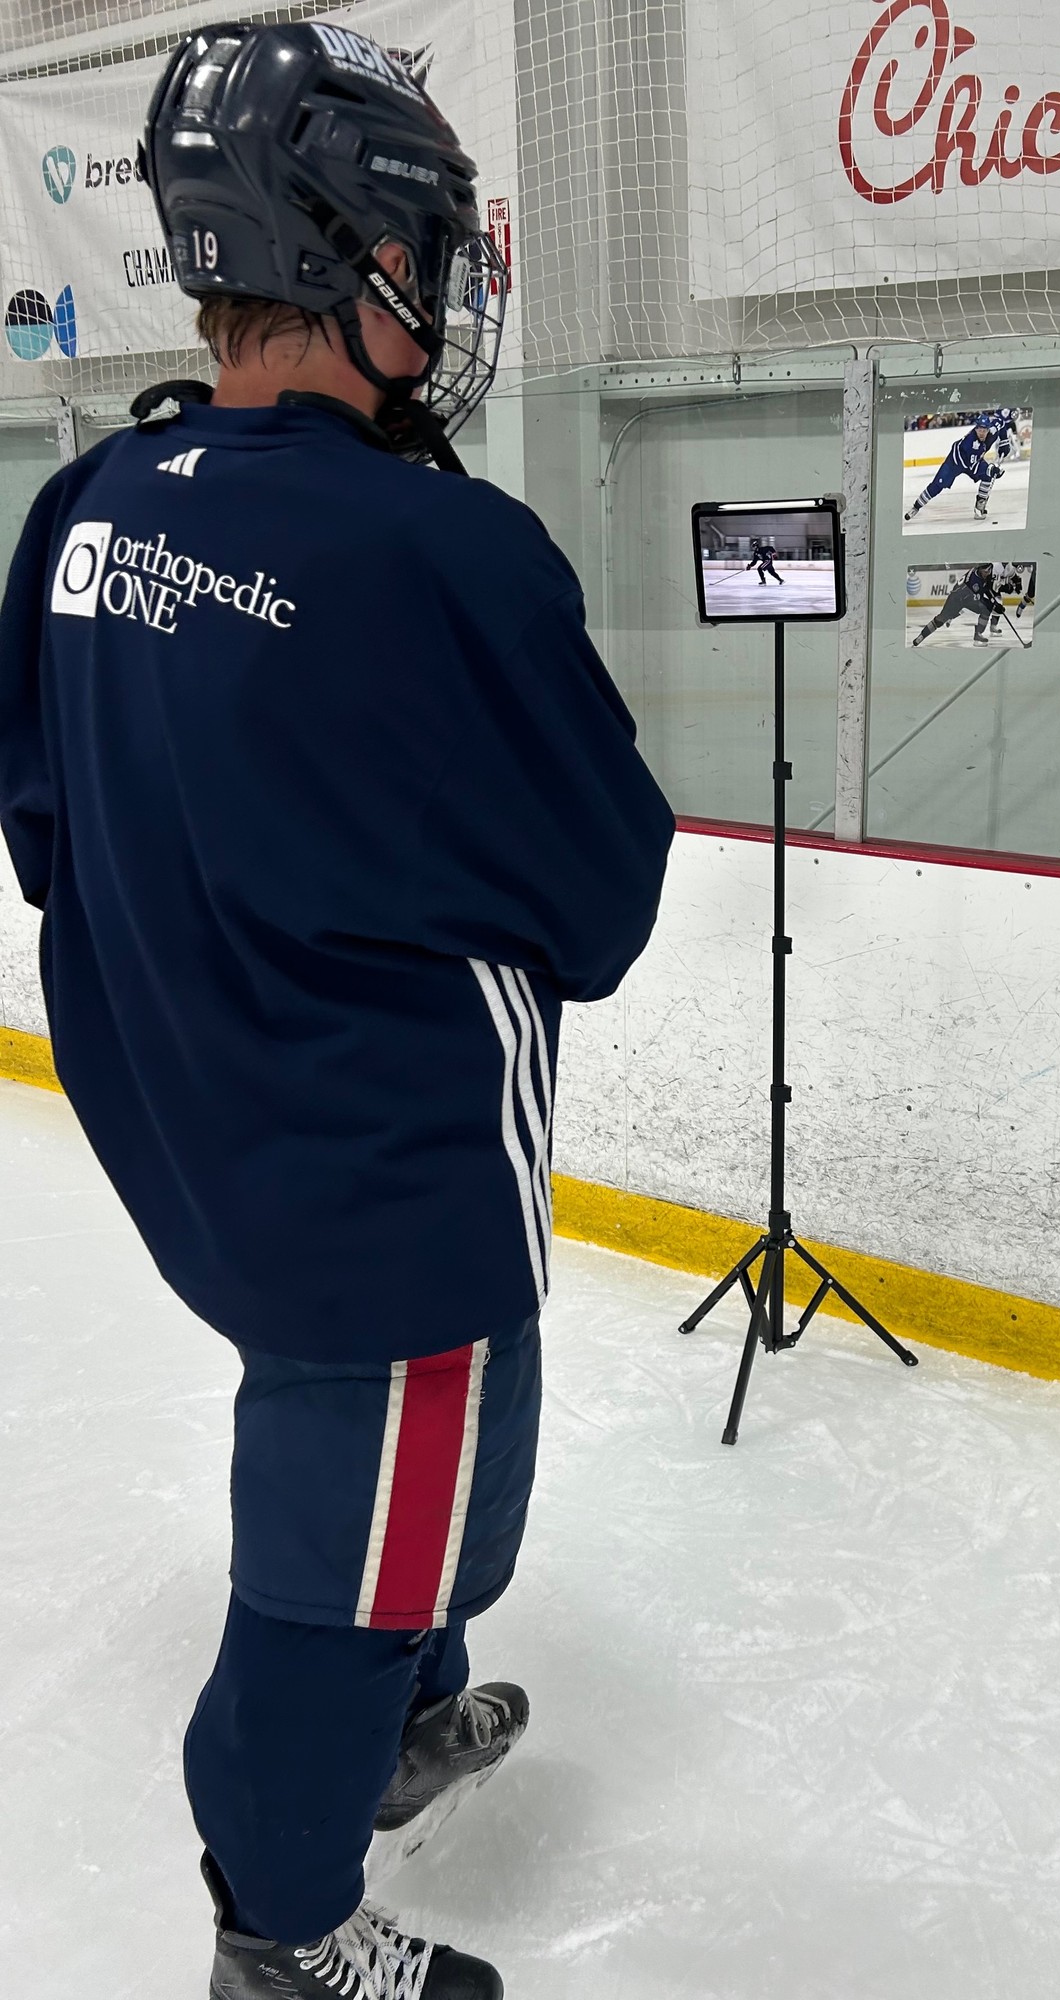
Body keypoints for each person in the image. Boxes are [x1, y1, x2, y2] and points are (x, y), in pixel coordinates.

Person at [0, 23, 673, 2000]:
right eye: (425, 254)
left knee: (395, 1492)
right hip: (382, 1181)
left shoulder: (90, 506)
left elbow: (41, 822)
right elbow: (601, 902)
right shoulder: (442, 548)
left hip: (196, 1134)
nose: (441, 296)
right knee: (342, 1550)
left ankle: (398, 1715)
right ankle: (282, 1928)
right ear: (347, 254)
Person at [905, 414, 1007, 523]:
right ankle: (916, 507)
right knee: (937, 486)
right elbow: (973, 466)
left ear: (989, 429)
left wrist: (1004, 442)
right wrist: (991, 470)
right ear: (976, 429)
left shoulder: (992, 430)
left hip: (973, 460)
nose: (982, 433)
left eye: (984, 430)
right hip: (954, 463)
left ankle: (979, 506)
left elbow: (1001, 422)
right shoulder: (971, 443)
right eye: (979, 430)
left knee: (987, 476)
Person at [911, 562, 1003, 646]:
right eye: (985, 572)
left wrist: (994, 603)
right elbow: (980, 598)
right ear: (979, 570)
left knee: (987, 608)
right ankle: (922, 636)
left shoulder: (982, 573)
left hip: (968, 597)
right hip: (956, 598)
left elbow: (986, 589)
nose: (987, 574)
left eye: (989, 571)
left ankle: (978, 634)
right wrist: (995, 606)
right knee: (940, 620)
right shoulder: (974, 581)